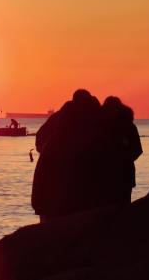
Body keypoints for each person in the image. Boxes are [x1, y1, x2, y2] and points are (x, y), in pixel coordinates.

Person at [31, 89, 102, 221]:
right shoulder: (86, 121)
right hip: (63, 190)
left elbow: (39, 140)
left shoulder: (59, 119)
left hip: (50, 189)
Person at [95, 96, 143, 205]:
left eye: (112, 109)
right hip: (107, 175)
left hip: (123, 175)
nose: (110, 112)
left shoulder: (129, 127)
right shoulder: (101, 126)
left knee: (122, 206)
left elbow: (137, 150)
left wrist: (122, 158)